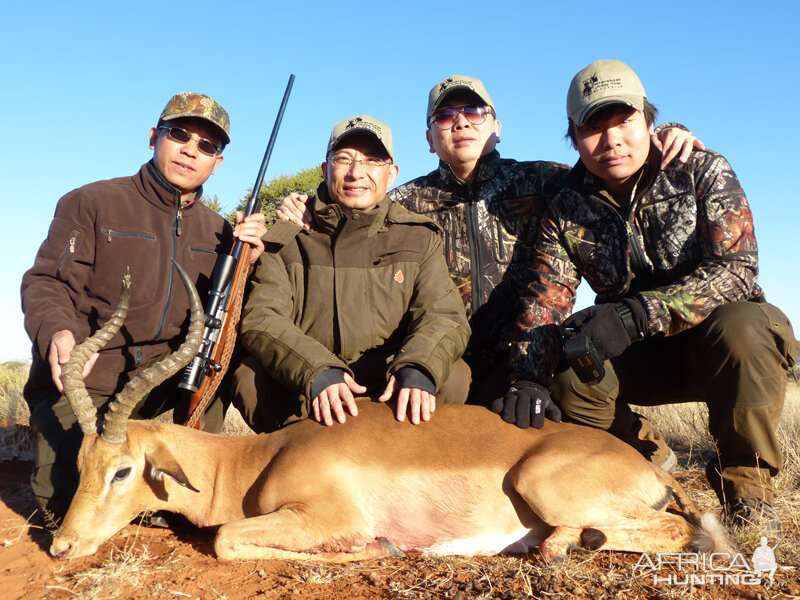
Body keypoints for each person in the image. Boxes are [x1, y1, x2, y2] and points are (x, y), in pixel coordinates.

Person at [277, 75, 702, 416]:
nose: (460, 122)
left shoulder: (547, 180)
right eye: (444, 116)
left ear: (496, 127)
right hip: (447, 359)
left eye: (474, 111)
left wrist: (664, 132)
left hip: (525, 357)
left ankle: (636, 440)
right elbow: (353, 201)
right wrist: (309, 201)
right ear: (429, 139)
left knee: (560, 398)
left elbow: (610, 157)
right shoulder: (403, 203)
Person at [502, 60, 797, 533]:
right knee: (569, 372)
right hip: (641, 353)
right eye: (593, 128)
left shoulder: (702, 169)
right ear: (574, 139)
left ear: (650, 123)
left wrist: (638, 314)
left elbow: (737, 270)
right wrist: (528, 378)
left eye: (624, 121)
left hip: (719, 343)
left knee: (746, 325)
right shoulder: (565, 207)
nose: (612, 139)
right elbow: (547, 298)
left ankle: (749, 496)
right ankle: (643, 454)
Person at [21, 92, 267, 520]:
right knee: (62, 508)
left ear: (218, 162)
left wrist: (250, 264)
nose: (191, 150)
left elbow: (226, 319)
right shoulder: (91, 202)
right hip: (92, 382)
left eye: (207, 146)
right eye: (180, 134)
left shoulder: (221, 232)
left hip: (163, 382)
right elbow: (47, 282)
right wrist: (60, 332)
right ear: (155, 137)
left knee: (189, 504)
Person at [232, 115, 471, 431]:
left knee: (453, 376)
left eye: (372, 161)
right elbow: (262, 318)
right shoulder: (287, 237)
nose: (356, 172)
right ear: (325, 168)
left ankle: (407, 460)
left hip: (388, 385)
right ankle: (298, 463)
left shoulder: (418, 237)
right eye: (344, 159)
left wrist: (417, 367)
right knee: (250, 378)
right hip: (313, 385)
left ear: (391, 174)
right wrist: (316, 370)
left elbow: (444, 315)